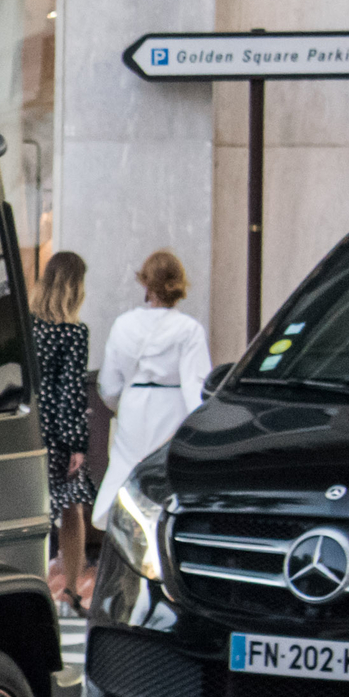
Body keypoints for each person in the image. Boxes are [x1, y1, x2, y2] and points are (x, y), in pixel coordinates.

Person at [91, 249, 212, 532]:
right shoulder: (189, 330)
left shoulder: (124, 325)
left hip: (133, 406)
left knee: (126, 473)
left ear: (146, 285)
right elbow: (196, 385)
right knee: (165, 479)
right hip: (172, 408)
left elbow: (109, 384)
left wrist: (119, 405)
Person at [30, 252, 93, 610]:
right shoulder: (73, 331)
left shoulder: (28, 326)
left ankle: (33, 585)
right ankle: (70, 589)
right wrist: (76, 444)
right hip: (58, 435)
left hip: (29, 429)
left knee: (34, 511)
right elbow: (71, 389)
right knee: (72, 512)